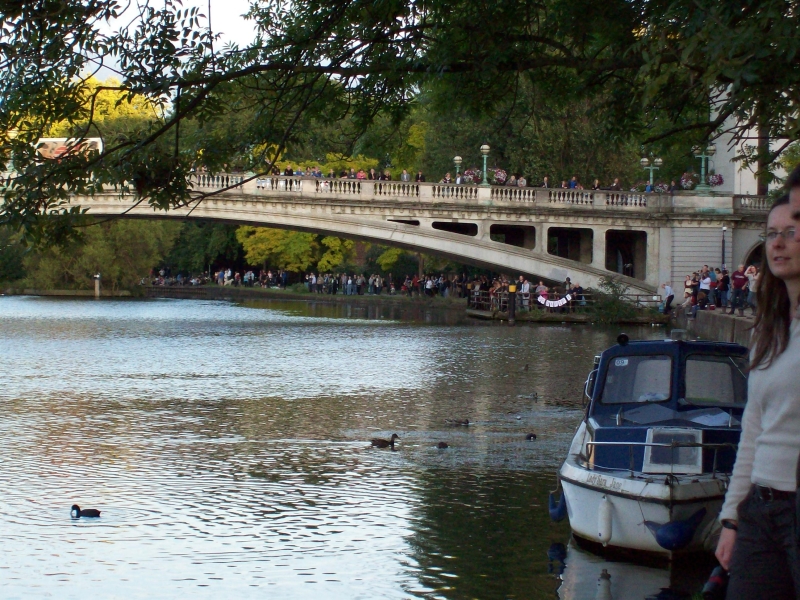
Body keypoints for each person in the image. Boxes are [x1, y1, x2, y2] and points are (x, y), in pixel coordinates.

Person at [715, 193, 800, 598]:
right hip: (759, 510)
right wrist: (731, 518)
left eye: (791, 232)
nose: (777, 244)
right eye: (771, 234)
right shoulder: (770, 329)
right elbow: (753, 429)